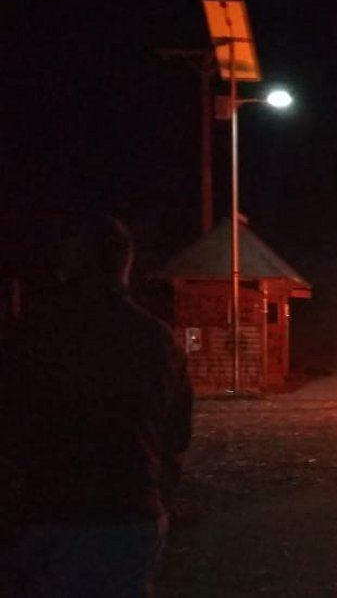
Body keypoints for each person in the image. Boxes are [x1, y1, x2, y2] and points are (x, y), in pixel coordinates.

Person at [0, 214, 194, 597]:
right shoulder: (159, 341)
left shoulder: (32, 333)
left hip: (50, 511)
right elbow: (177, 434)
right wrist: (160, 495)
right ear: (126, 264)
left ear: (69, 263)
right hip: (132, 512)